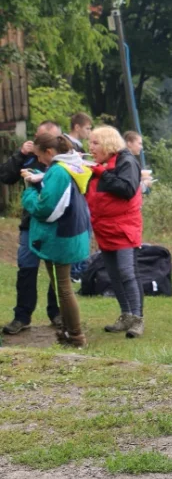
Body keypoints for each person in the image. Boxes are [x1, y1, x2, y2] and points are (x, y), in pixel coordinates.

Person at [21, 133, 93, 348]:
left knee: (63, 287)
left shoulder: (58, 171)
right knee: (60, 285)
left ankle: (76, 336)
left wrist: (29, 193)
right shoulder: (71, 165)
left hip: (61, 237)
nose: (39, 160)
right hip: (71, 234)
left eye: (39, 156)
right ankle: (68, 332)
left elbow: (47, 209)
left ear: (50, 152)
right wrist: (38, 177)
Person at [0, 120, 62, 335]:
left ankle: (57, 313)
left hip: (56, 224)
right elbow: (5, 176)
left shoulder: (64, 160)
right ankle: (22, 316)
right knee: (26, 268)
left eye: (42, 139)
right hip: (30, 224)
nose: (36, 143)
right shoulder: (28, 157)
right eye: (36, 137)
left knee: (57, 271)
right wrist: (19, 154)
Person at [86, 126, 145, 338]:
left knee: (127, 272)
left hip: (124, 226)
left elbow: (127, 190)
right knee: (113, 273)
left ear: (108, 143)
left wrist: (103, 174)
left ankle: (138, 319)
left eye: (95, 143)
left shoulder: (126, 162)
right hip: (104, 227)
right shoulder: (99, 164)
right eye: (90, 143)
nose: (90, 147)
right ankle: (126, 314)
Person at [66, 112, 93, 281]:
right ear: (77, 127)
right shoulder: (68, 145)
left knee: (85, 231)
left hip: (81, 195)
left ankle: (80, 268)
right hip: (73, 195)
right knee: (80, 232)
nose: (89, 132)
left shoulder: (78, 146)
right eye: (88, 128)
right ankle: (76, 270)